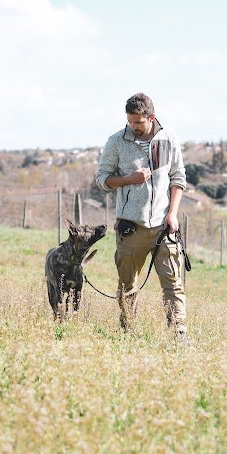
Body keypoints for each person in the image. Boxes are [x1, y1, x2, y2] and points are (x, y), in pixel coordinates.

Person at [95, 93, 188, 341]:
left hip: (163, 227)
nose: (133, 127)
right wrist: (128, 179)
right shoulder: (116, 142)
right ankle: (128, 332)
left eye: (138, 122)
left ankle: (178, 333)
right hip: (131, 227)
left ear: (151, 117)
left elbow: (178, 178)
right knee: (127, 286)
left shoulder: (169, 138)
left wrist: (173, 214)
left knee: (173, 283)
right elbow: (102, 180)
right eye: (130, 121)